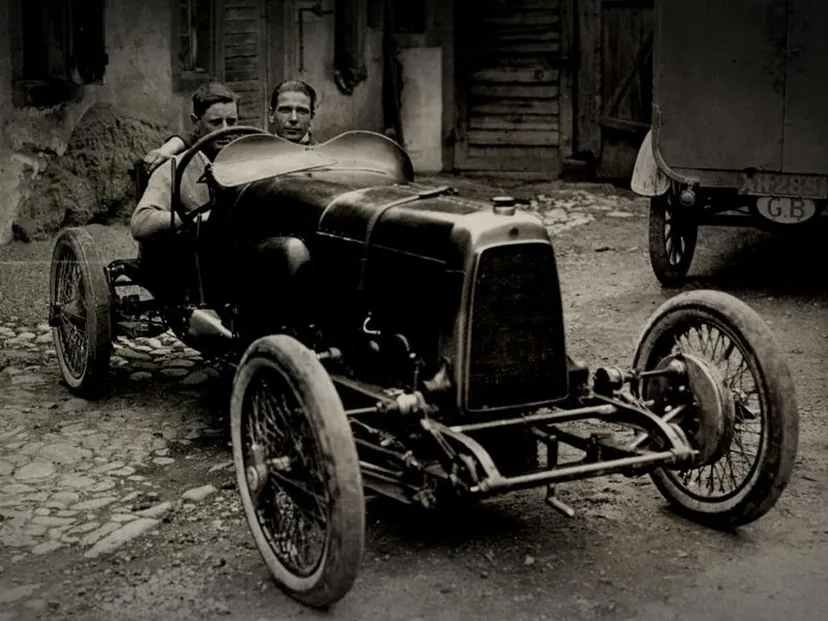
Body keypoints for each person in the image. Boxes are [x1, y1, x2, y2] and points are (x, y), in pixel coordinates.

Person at [130, 81, 239, 243]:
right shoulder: (175, 167)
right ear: (195, 122)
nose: (225, 130)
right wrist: (196, 217)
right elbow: (140, 223)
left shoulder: (247, 160)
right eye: (215, 122)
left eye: (231, 121)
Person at [142, 79, 318, 173]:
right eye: (285, 110)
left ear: (312, 117)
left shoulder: (323, 155)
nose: (293, 119)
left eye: (302, 111)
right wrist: (169, 147)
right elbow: (202, 137)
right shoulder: (258, 146)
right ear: (271, 115)